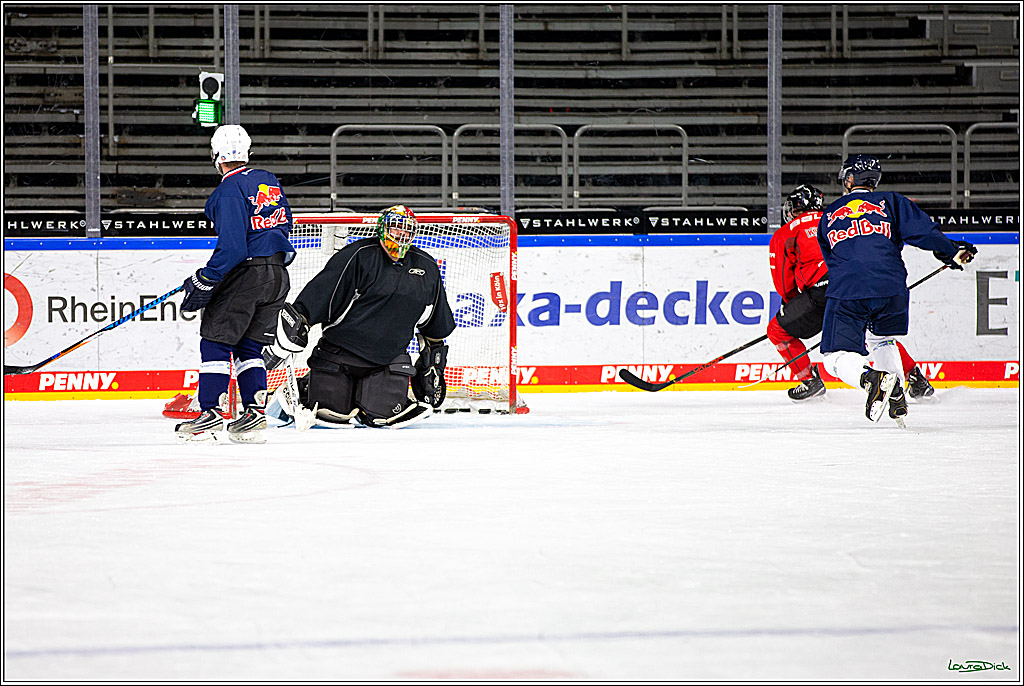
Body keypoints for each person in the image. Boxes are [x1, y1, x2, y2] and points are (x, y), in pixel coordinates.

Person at [816, 154, 976, 425]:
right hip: (892, 288)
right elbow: (925, 233)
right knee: (883, 340)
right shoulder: (890, 201)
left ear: (850, 179)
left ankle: (871, 380)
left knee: (834, 357)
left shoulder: (829, 214)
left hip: (848, 289)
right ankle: (896, 397)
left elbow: (833, 259)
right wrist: (951, 251)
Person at [267, 204, 455, 429]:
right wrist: (296, 325)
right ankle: (307, 387)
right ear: (382, 229)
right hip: (339, 356)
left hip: (388, 360)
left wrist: (432, 367)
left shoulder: (426, 268)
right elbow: (317, 298)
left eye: (407, 230)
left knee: (381, 416)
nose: (401, 235)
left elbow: (434, 328)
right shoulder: (358, 256)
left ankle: (369, 396)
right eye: (396, 228)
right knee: (333, 413)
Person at [175, 124, 294, 443]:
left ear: (216, 156)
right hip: (278, 275)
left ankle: (209, 412)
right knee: (249, 345)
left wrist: (207, 277)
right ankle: (254, 413)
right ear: (247, 152)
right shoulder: (268, 179)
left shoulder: (226, 191)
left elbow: (233, 247)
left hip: (247, 273)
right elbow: (284, 228)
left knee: (215, 340)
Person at [768, 184, 938, 402]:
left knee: (777, 331)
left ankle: (810, 381)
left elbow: (784, 283)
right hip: (856, 283)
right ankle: (916, 378)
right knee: (876, 335)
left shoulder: (786, 232)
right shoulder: (836, 218)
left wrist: (796, 309)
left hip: (820, 294)